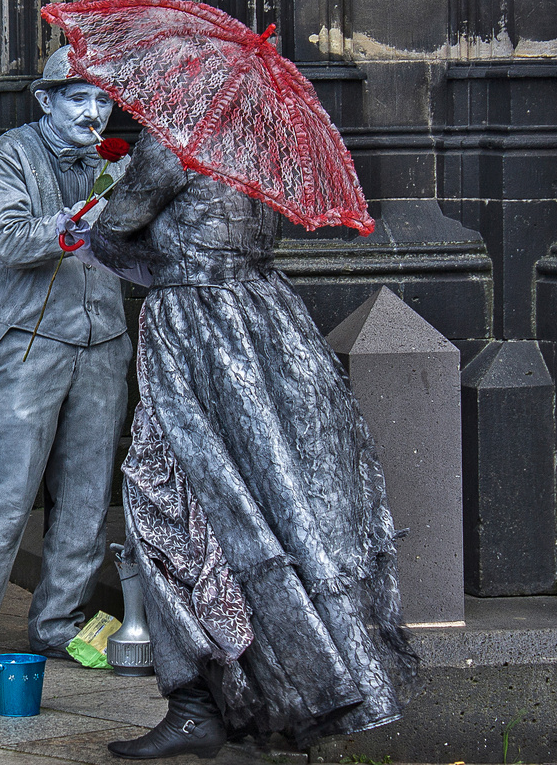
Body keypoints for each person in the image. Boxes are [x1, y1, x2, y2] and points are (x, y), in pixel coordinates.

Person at [69, 128, 415, 758]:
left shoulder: (174, 142)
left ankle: (205, 705)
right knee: (265, 501)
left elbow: (116, 229)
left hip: (198, 330)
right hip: (268, 323)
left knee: (165, 501)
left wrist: (91, 220)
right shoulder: (258, 140)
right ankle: (256, 699)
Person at [0, 46, 134, 672]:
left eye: (103, 99)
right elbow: (11, 239)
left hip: (103, 342)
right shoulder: (10, 156)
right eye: (79, 97)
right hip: (30, 342)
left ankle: (57, 623)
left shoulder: (119, 164)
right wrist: (85, 214)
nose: (94, 112)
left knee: (85, 495)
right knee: (7, 491)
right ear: (46, 100)